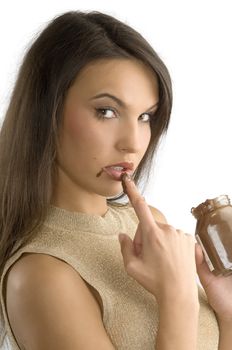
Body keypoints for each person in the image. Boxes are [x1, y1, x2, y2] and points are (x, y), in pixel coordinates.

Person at [0, 10, 231, 350]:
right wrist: (179, 298)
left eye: (145, 116)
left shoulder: (148, 224)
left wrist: (226, 313)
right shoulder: (40, 276)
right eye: (106, 111)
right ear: (45, 112)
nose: (133, 143)